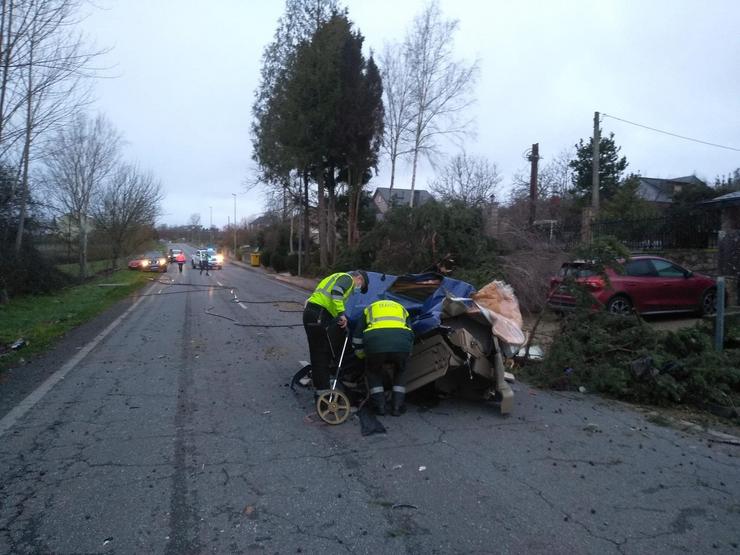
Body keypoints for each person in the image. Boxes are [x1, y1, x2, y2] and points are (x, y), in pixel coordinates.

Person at [303, 270, 368, 397]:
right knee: (322, 353)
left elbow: (320, 294)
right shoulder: (347, 279)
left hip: (313, 312)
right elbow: (336, 292)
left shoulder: (334, 276)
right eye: (362, 285)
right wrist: (341, 314)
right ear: (359, 278)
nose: (359, 288)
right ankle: (324, 392)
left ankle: (320, 387)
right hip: (319, 314)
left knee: (317, 352)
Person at [353, 299, 414, 416]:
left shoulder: (369, 309)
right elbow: (410, 332)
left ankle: (380, 407)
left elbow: (357, 336)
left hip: (376, 344)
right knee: (401, 371)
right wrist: (407, 352)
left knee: (373, 371)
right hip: (401, 344)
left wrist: (361, 354)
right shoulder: (402, 309)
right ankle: (396, 407)